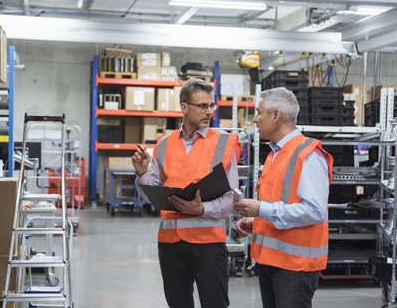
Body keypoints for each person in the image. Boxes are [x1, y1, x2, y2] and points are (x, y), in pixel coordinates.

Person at [132, 78, 239, 308]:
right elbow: (152, 194)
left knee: (215, 303)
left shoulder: (223, 143)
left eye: (212, 106)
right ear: (184, 107)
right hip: (170, 243)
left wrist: (202, 209)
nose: (209, 112)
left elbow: (231, 199)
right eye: (203, 106)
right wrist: (142, 174)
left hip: (209, 242)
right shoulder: (163, 144)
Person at [234, 87, 333, 308]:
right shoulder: (275, 153)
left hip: (295, 268)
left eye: (259, 112)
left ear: (276, 115)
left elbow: (315, 212)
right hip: (271, 262)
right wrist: (257, 222)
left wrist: (260, 210)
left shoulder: (308, 155)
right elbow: (281, 203)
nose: (255, 119)